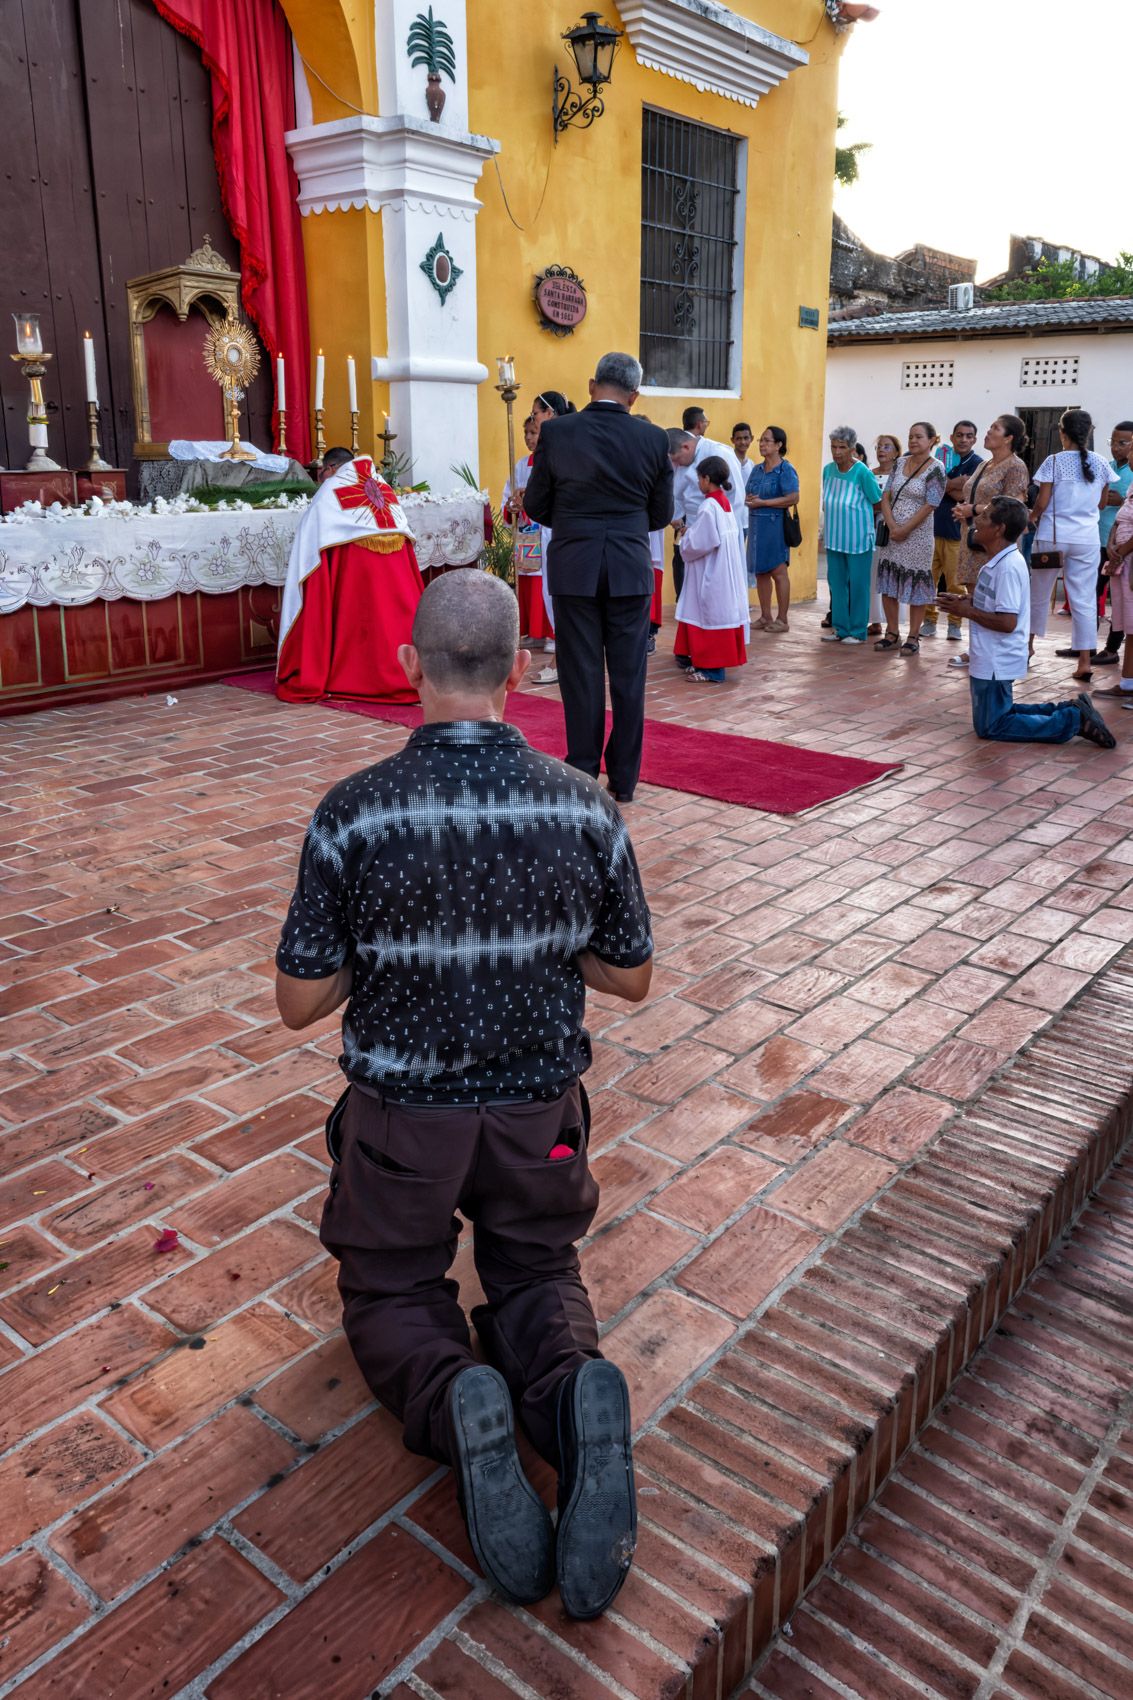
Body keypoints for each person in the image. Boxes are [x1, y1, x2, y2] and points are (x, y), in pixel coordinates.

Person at [275, 570, 653, 1617]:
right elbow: (629, 975)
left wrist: (391, 951)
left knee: (392, 1287)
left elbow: (298, 1001)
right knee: (534, 1266)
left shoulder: (352, 812)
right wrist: (538, 940)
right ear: (520, 669)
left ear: (409, 668)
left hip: (405, 1124)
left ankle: (455, 1394)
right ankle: (568, 1386)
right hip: (538, 1117)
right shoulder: (584, 805)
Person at [525, 352, 673, 803]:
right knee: (629, 676)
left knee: (580, 672)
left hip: (575, 565)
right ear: (634, 395)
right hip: (629, 566)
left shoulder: (556, 432)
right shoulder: (651, 438)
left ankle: (584, 772)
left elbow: (536, 504)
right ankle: (624, 780)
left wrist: (573, 524)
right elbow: (661, 514)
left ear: (591, 385)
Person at [938, 496, 1115, 749]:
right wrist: (966, 602)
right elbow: (993, 605)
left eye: (985, 517)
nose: (976, 519)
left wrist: (966, 612)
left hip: (996, 660)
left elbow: (1008, 622)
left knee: (992, 725)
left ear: (998, 529)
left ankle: (1073, 720)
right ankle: (1068, 709)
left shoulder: (1008, 567)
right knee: (999, 714)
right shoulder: (998, 562)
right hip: (989, 657)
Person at [276, 453, 424, 704]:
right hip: (396, 574)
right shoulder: (383, 487)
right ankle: (411, 671)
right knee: (393, 619)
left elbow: (309, 549)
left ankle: (362, 677)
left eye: (321, 472)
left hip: (356, 573)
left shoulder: (331, 489)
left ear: (331, 469)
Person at [1028, 408, 1121, 682]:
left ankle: (1028, 647)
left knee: (1039, 593)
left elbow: (1042, 502)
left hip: (1052, 537)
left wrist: (1032, 517)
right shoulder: (1102, 463)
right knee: (1083, 599)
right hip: (1086, 539)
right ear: (1089, 433)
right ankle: (1084, 662)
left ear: (1061, 432)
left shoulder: (1053, 462)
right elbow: (1102, 504)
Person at [948, 415, 1032, 671]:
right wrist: (964, 509)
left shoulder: (1015, 467)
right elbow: (969, 493)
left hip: (995, 539)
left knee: (993, 599)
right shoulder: (985, 465)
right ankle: (977, 648)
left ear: (1009, 438)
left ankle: (991, 650)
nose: (988, 431)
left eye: (995, 428)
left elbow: (1013, 505)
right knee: (976, 596)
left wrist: (973, 509)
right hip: (974, 537)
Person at [1063, 420, 1133, 668]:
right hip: (1101, 540)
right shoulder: (1106, 466)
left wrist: (1120, 499)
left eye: (1123, 443)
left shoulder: (1132, 472)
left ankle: (1112, 648)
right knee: (1089, 593)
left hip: (1125, 547)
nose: (1116, 447)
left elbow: (1123, 503)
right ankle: (1085, 645)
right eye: (1112, 442)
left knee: (1120, 598)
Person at [674, 455, 750, 683]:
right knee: (707, 612)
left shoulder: (709, 506)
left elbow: (702, 541)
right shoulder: (723, 503)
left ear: (707, 479)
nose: (698, 483)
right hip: (721, 568)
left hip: (711, 571)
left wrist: (686, 539)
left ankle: (712, 669)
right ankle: (701, 662)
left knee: (709, 613)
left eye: (699, 479)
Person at [874, 422, 947, 655]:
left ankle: (913, 636)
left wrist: (905, 529)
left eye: (918, 437)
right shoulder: (899, 463)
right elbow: (885, 496)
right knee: (889, 581)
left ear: (932, 440)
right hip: (892, 532)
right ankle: (892, 632)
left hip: (918, 536)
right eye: (910, 437)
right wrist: (893, 525)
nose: (913, 441)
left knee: (916, 585)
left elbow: (931, 504)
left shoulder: (936, 468)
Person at [667, 428, 745, 599]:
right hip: (694, 529)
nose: (677, 465)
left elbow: (736, 498)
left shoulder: (719, 453)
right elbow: (677, 495)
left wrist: (721, 532)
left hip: (721, 530)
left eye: (677, 459)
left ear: (686, 447)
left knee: (718, 585)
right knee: (695, 585)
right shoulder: (682, 461)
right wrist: (677, 519)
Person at [821, 426, 882, 645]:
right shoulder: (828, 470)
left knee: (858, 585)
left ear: (852, 449)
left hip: (858, 539)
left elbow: (877, 501)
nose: (837, 452)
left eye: (842, 447)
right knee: (836, 585)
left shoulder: (862, 472)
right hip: (834, 538)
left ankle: (857, 631)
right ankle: (840, 628)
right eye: (833, 447)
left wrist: (857, 517)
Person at [922, 421, 983, 640]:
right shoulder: (940, 460)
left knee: (955, 583)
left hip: (958, 533)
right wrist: (955, 483)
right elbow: (930, 486)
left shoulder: (978, 464)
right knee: (927, 579)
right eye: (959, 435)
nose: (963, 440)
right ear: (952, 436)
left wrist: (947, 485)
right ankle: (928, 620)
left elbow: (964, 496)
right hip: (932, 528)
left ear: (975, 439)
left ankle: (954, 625)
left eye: (969, 436)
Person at [745, 426, 799, 633]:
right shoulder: (757, 469)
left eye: (767, 441)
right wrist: (750, 501)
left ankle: (782, 619)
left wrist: (764, 503)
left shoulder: (785, 470)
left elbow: (793, 497)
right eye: (761, 440)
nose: (762, 444)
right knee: (761, 572)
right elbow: (749, 492)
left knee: (778, 571)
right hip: (757, 525)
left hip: (775, 525)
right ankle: (765, 615)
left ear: (779, 445)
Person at [864, 433, 902, 635]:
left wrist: (881, 507)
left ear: (897, 452)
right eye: (879, 447)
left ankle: (892, 623)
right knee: (872, 572)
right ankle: (874, 620)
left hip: (890, 526)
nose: (881, 451)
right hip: (870, 527)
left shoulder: (900, 474)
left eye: (887, 447)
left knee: (889, 573)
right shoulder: (869, 473)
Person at [1100, 478, 1133, 705]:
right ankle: (1128, 681)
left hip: (1130, 560)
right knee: (1128, 623)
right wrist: (1112, 546)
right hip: (1123, 558)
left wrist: (1120, 551)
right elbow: (1118, 521)